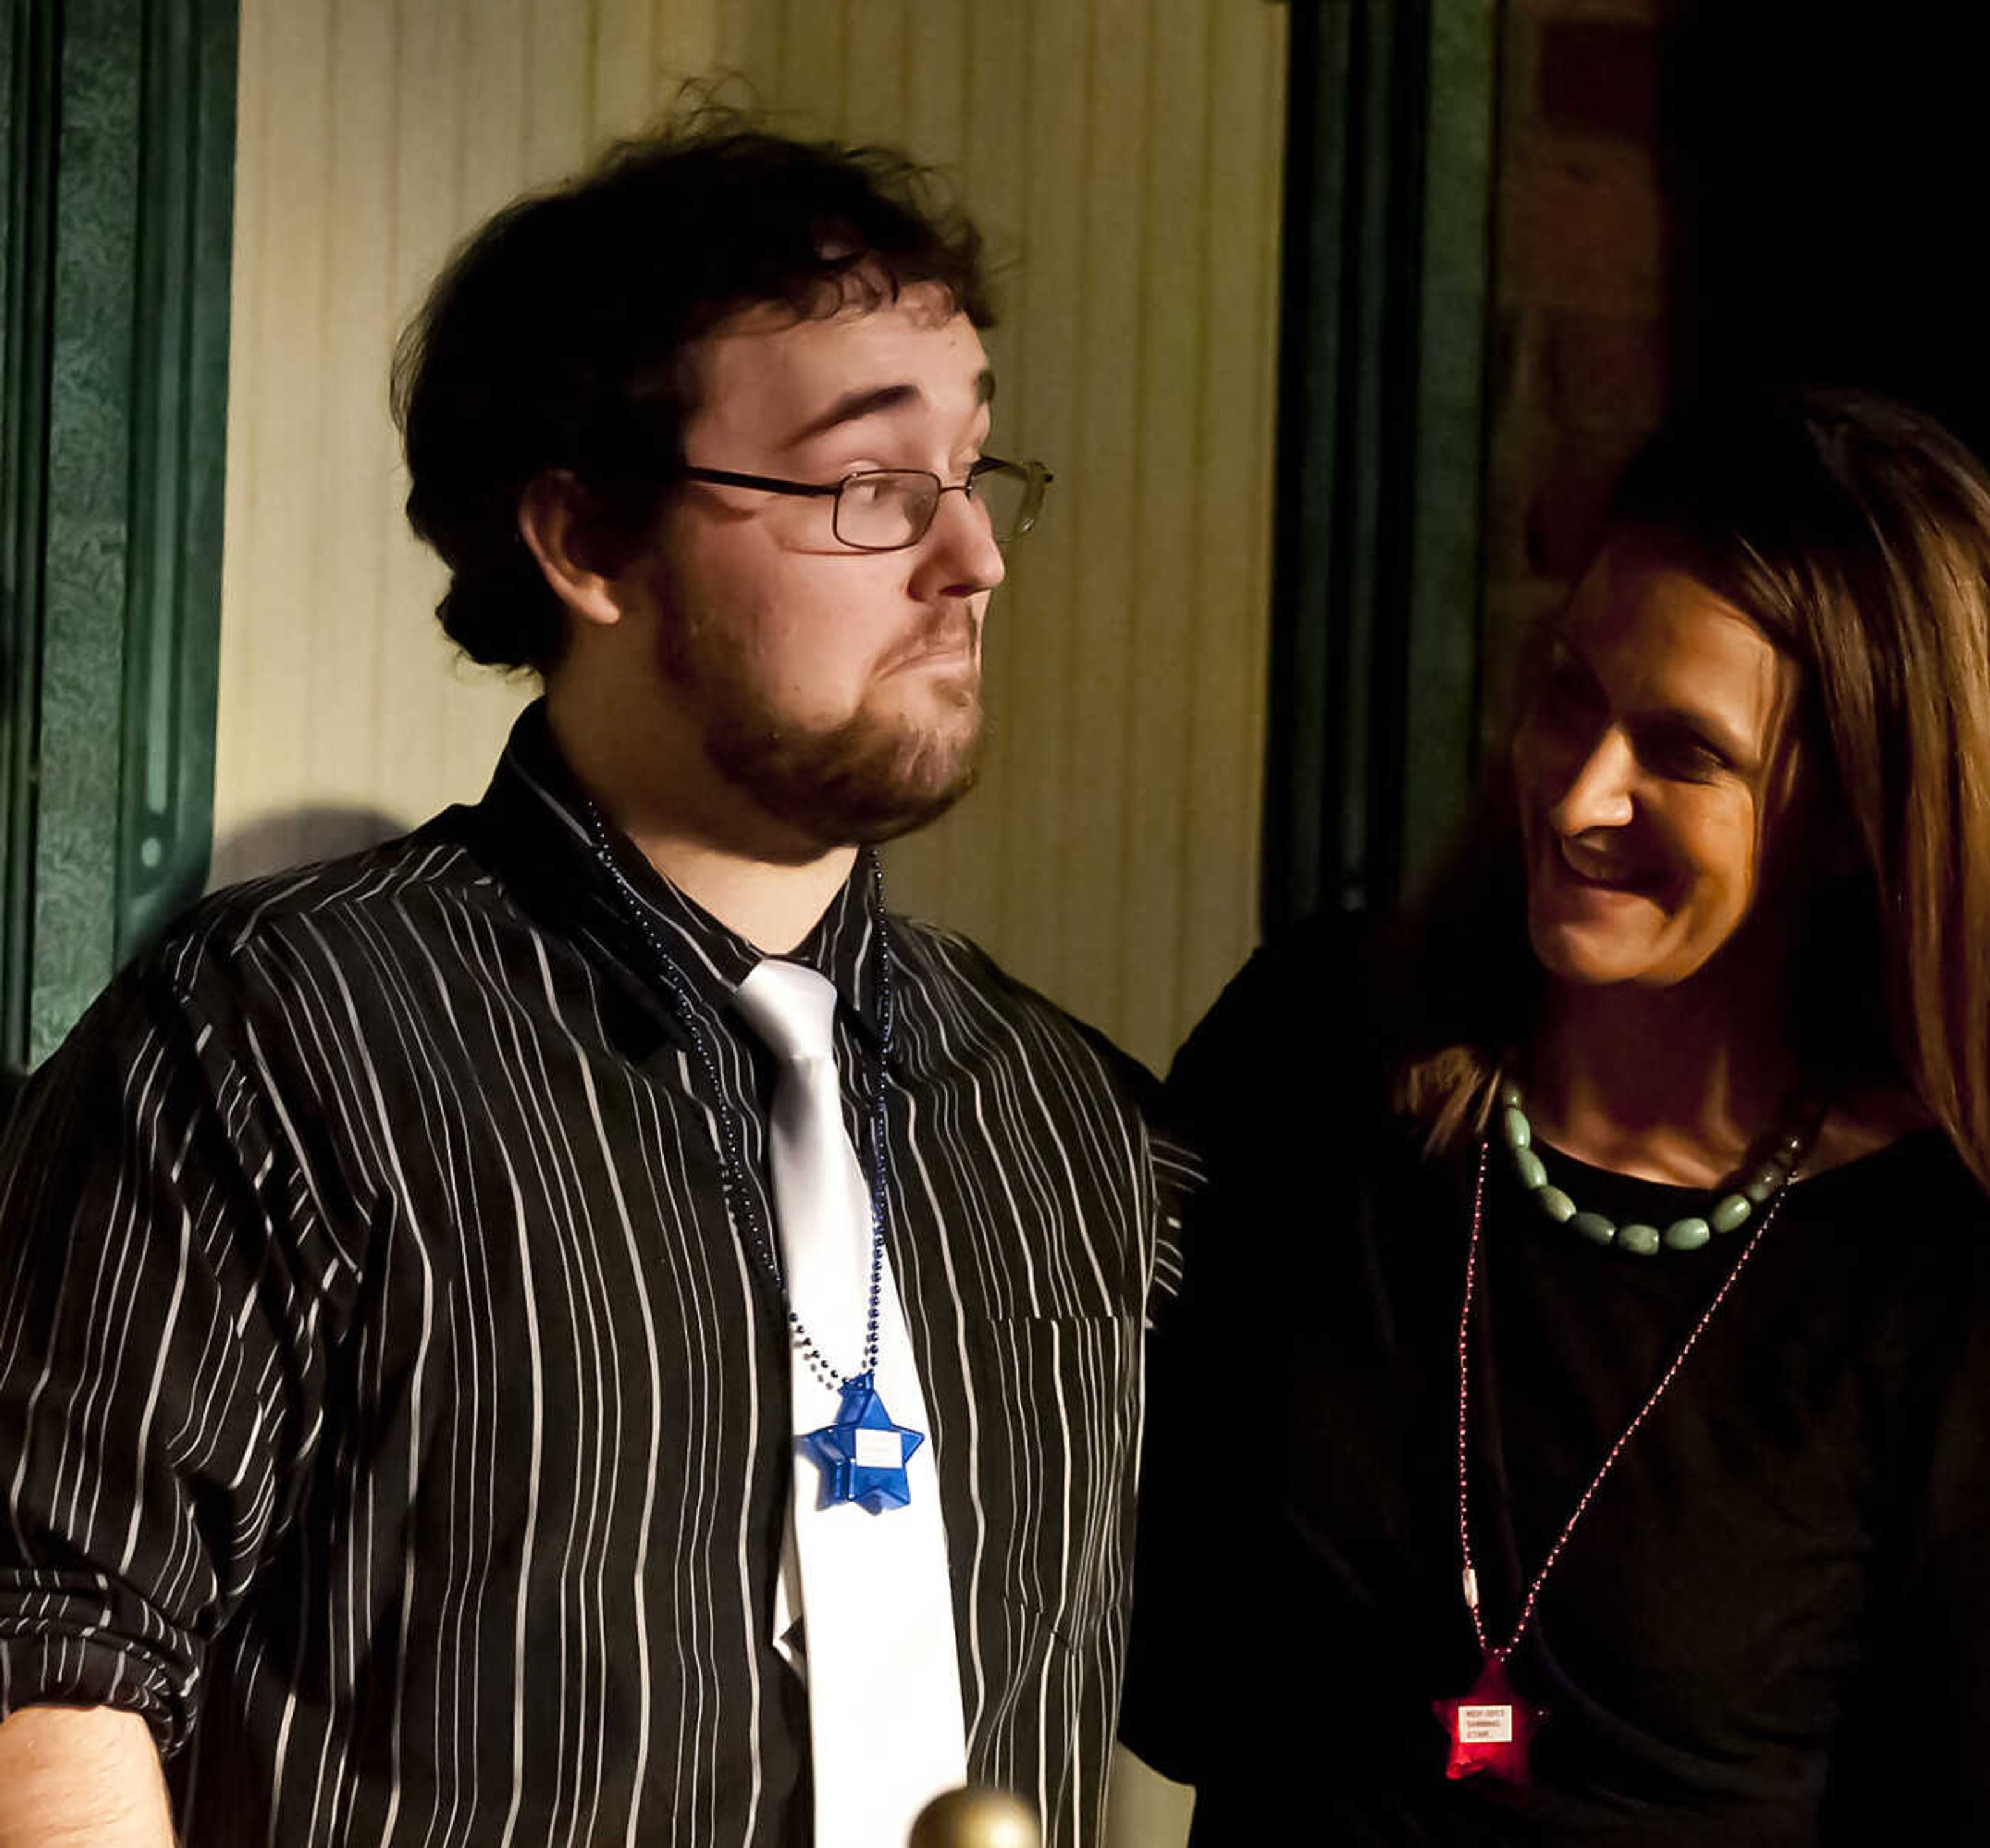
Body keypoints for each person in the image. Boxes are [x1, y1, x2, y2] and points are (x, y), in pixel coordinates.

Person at [0, 122, 1189, 1847]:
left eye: (978, 468)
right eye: (871, 485)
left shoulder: (1070, 1114)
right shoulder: (278, 1035)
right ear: (589, 539)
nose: (973, 562)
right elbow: (49, 1664)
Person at [1123, 389, 1990, 1842]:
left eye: (1686, 753)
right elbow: (1146, 1663)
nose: (1582, 793)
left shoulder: (1967, 1282)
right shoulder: (1317, 1052)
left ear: (1854, 823)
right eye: (1568, 692)